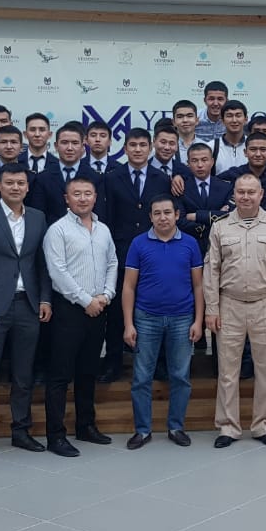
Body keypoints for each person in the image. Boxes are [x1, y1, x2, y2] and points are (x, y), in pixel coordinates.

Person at [0, 164, 54, 459]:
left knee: (23, 374)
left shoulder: (38, 217)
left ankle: (21, 431)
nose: (15, 187)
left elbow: (42, 263)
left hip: (28, 305)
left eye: (20, 183)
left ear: (27, 187)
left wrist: (45, 299)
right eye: (10, 183)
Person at [204, 173, 266, 448]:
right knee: (227, 370)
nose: (245, 197)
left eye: (251, 192)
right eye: (241, 192)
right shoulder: (220, 226)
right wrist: (211, 308)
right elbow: (212, 270)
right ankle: (228, 427)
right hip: (229, 304)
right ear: (234, 194)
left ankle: (263, 425)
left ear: (261, 194)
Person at [44, 175, 118, 455]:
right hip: (70, 310)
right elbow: (57, 272)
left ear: (95, 197)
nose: (83, 198)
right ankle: (55, 435)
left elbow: (112, 262)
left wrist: (107, 295)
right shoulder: (57, 230)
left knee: (88, 371)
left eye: (88, 193)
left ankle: (86, 426)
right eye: (77, 194)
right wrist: (85, 300)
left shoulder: (103, 229)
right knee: (60, 375)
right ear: (67, 198)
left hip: (98, 308)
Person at [122, 195, 204, 449]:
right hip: (146, 318)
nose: (163, 217)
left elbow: (199, 285)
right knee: (141, 377)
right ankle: (142, 430)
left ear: (177, 215)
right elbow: (128, 286)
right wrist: (128, 324)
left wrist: (198, 321)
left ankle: (176, 427)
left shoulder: (190, 243)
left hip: (182, 318)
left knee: (180, 376)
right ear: (150, 217)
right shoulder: (138, 243)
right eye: (157, 213)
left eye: (167, 212)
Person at [99, 128, 172, 382]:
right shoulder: (111, 177)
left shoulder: (162, 178)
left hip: (155, 252)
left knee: (156, 306)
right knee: (118, 311)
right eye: (133, 145)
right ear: (125, 148)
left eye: (143, 145)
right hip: (121, 252)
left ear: (150, 148)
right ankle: (113, 363)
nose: (138, 149)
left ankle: (159, 363)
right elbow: (106, 217)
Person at [28, 121, 102, 223]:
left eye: (75, 143)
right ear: (56, 146)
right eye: (64, 143)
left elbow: (99, 214)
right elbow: (38, 215)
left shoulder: (95, 178)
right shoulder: (42, 178)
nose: (69, 148)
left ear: (82, 146)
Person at [178, 142, 233, 251]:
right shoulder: (181, 187)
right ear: (188, 163)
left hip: (221, 245)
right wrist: (216, 215)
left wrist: (196, 216)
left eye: (204, 160)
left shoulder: (225, 187)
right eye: (194, 161)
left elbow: (230, 216)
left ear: (212, 162)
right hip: (190, 245)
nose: (200, 165)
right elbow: (180, 221)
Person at [221, 132, 266, 213]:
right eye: (253, 149)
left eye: (263, 150)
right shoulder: (234, 174)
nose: (258, 154)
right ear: (245, 152)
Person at [212, 99, 249, 174]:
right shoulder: (211, 147)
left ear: (246, 119)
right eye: (229, 116)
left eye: (238, 115)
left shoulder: (253, 146)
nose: (234, 120)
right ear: (222, 120)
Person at [20, 112, 59, 177]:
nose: (37, 134)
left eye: (42, 130)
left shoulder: (58, 164)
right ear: (25, 134)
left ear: (49, 134)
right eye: (32, 130)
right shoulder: (16, 162)